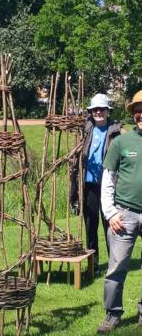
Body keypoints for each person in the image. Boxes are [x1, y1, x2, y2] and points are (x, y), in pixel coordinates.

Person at [97, 90, 142, 334]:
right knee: (116, 266)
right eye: (137, 109)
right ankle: (113, 313)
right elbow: (108, 179)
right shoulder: (122, 142)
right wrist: (111, 213)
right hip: (125, 214)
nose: (140, 114)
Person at [81, 94, 121, 275]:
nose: (98, 112)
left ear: (107, 111)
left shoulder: (115, 132)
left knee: (110, 224)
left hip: (108, 186)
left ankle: (114, 265)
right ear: (90, 112)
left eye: (101, 109)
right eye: (94, 109)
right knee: (90, 225)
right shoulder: (86, 129)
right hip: (89, 184)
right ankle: (93, 266)